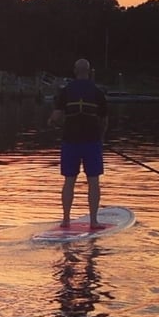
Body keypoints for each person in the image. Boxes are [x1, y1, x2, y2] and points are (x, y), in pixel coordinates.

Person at [47, 58, 109, 229]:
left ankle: (66, 220)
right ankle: (94, 221)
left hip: (70, 142)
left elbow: (57, 116)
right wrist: (101, 139)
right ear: (88, 72)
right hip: (92, 142)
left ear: (75, 71)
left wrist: (51, 121)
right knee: (93, 181)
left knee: (69, 181)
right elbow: (104, 120)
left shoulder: (65, 91)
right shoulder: (98, 92)